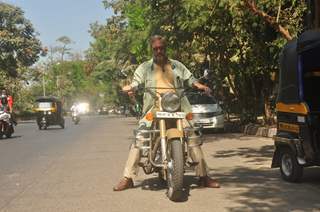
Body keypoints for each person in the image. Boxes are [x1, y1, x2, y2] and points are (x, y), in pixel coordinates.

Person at [113, 35, 220, 191]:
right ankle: (127, 178)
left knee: (192, 137)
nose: (159, 51)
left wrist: (200, 86)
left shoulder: (177, 66)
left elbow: (191, 80)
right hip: (154, 108)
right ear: (152, 49)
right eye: (155, 48)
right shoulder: (144, 67)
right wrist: (131, 87)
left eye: (161, 48)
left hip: (178, 107)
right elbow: (136, 82)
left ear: (165, 48)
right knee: (140, 138)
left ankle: (204, 176)